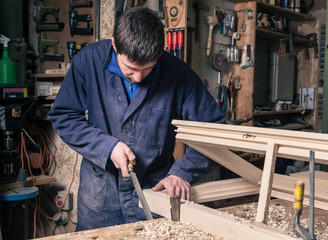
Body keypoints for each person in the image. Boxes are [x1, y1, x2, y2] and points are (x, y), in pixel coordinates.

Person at [48, 7, 225, 231]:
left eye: (148, 68)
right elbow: (64, 116)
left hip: (155, 191)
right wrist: (107, 147)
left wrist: (183, 173)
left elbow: (212, 129)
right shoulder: (88, 62)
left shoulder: (179, 75)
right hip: (100, 195)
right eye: (131, 69)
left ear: (161, 52)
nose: (140, 77)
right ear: (114, 45)